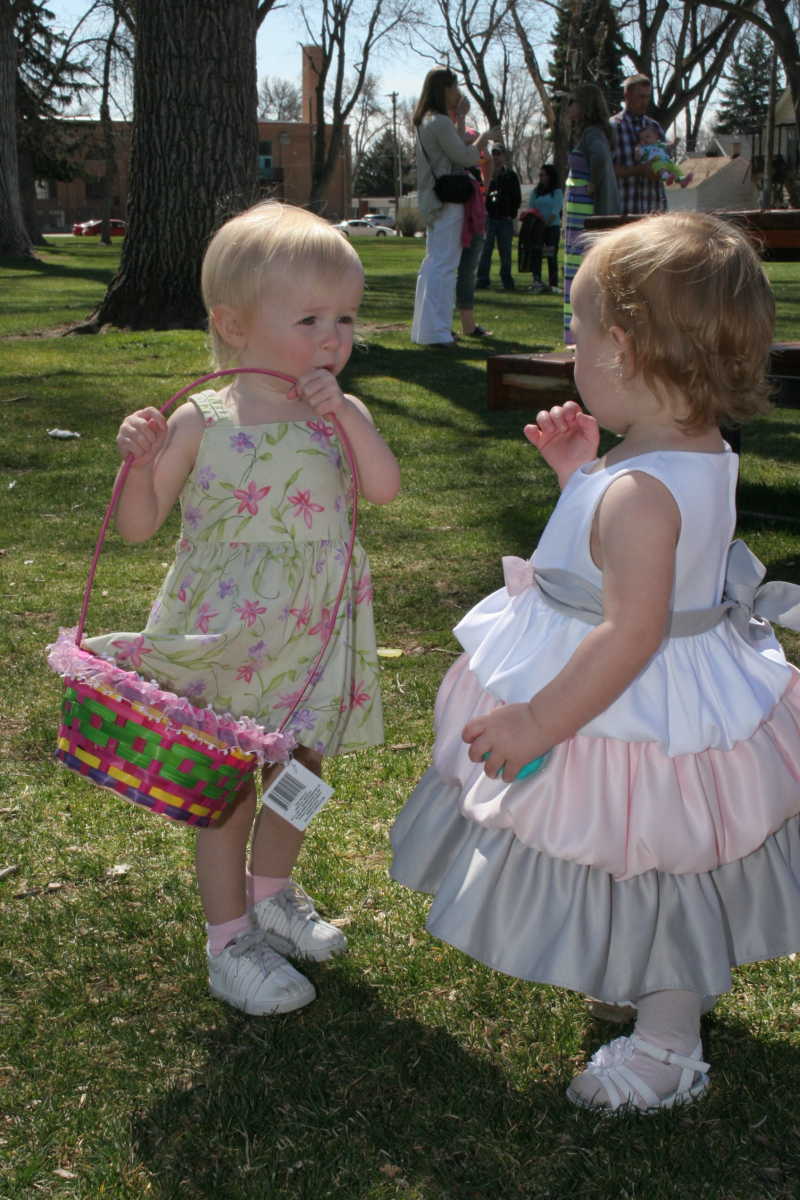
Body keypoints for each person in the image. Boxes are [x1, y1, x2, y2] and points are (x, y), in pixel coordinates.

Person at [391, 210, 800, 1113]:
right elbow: (633, 561)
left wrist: (540, 720)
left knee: (653, 860)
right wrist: (579, 475)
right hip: (658, 698)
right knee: (642, 853)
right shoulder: (681, 455)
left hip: (628, 707)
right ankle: (647, 982)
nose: (569, 349)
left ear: (622, 348)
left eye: (574, 331)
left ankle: (668, 1045)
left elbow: (631, 631)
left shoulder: (641, 490)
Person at [83, 201, 401, 1016]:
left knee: (302, 767)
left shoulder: (341, 415)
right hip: (230, 636)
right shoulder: (204, 418)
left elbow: (384, 489)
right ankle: (228, 940)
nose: (334, 338)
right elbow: (139, 526)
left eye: (346, 319)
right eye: (311, 319)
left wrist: (347, 416)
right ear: (234, 324)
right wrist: (138, 464)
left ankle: (272, 893)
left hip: (314, 632)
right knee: (225, 786)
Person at [412, 68, 499, 347]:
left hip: (436, 199)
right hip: (447, 201)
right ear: (444, 89)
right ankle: (436, 332)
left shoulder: (429, 121)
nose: (458, 92)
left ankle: (427, 330)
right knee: (444, 267)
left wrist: (460, 118)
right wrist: (484, 138)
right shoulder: (438, 121)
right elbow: (464, 157)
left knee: (434, 264)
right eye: (454, 87)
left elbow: (456, 147)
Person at [563, 83, 619, 343]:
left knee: (582, 272)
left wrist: (594, 186)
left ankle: (583, 336)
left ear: (585, 105)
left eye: (573, 102)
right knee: (576, 271)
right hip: (576, 214)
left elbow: (600, 161)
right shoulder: (587, 134)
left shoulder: (593, 134)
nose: (569, 107)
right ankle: (577, 334)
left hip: (584, 216)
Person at [610, 74, 669, 215]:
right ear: (627, 95)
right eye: (641, 97)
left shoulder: (655, 127)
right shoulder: (613, 127)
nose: (645, 102)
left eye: (648, 97)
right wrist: (639, 170)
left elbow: (665, 163)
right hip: (624, 210)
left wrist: (660, 170)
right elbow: (606, 170)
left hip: (654, 209)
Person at [455, 126, 492, 338]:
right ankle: (457, 324)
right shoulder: (456, 161)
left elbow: (488, 160)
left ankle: (467, 324)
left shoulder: (475, 173)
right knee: (457, 271)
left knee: (468, 271)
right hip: (459, 221)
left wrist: (486, 186)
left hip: (475, 220)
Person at [476, 145, 522, 291]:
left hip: (505, 219)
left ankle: (507, 281)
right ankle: (482, 280)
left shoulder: (511, 175)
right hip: (489, 218)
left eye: (498, 154)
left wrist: (511, 213)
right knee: (485, 251)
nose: (496, 157)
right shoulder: (486, 174)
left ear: (504, 156)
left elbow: (517, 197)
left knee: (505, 252)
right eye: (493, 153)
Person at [518, 163, 563, 293]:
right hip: (536, 229)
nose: (540, 177)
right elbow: (531, 208)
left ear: (550, 176)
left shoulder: (557, 192)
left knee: (550, 255)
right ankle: (536, 281)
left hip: (552, 228)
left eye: (543, 175)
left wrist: (546, 224)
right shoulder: (536, 192)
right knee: (536, 254)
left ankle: (553, 284)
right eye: (540, 175)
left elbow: (555, 211)